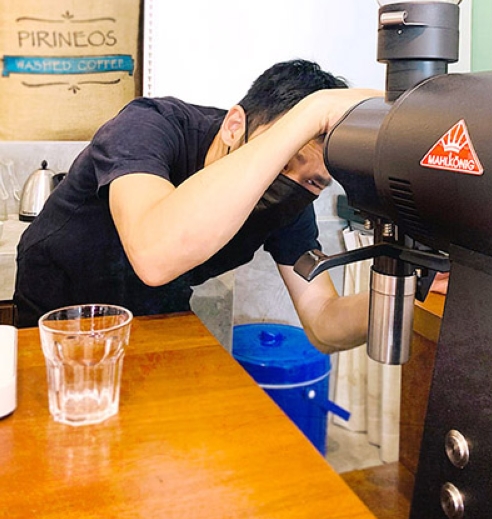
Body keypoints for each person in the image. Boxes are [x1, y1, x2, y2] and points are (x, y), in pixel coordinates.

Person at [13, 59, 381, 353]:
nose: (290, 183)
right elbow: (154, 254)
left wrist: (402, 299)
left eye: (315, 181)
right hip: (61, 293)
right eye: (283, 159)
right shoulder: (149, 125)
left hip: (160, 307)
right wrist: (314, 111)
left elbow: (323, 321)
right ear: (235, 126)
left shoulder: (291, 199)